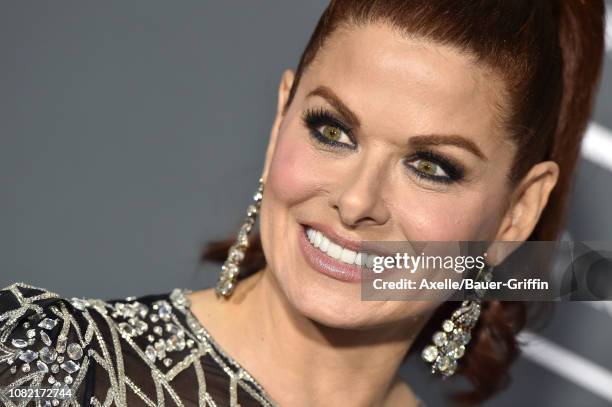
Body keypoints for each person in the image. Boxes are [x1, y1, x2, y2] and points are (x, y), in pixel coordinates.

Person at [0, 1, 605, 406]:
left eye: (430, 167)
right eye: (332, 130)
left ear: (516, 214)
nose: (355, 201)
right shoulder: (48, 363)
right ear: (280, 120)